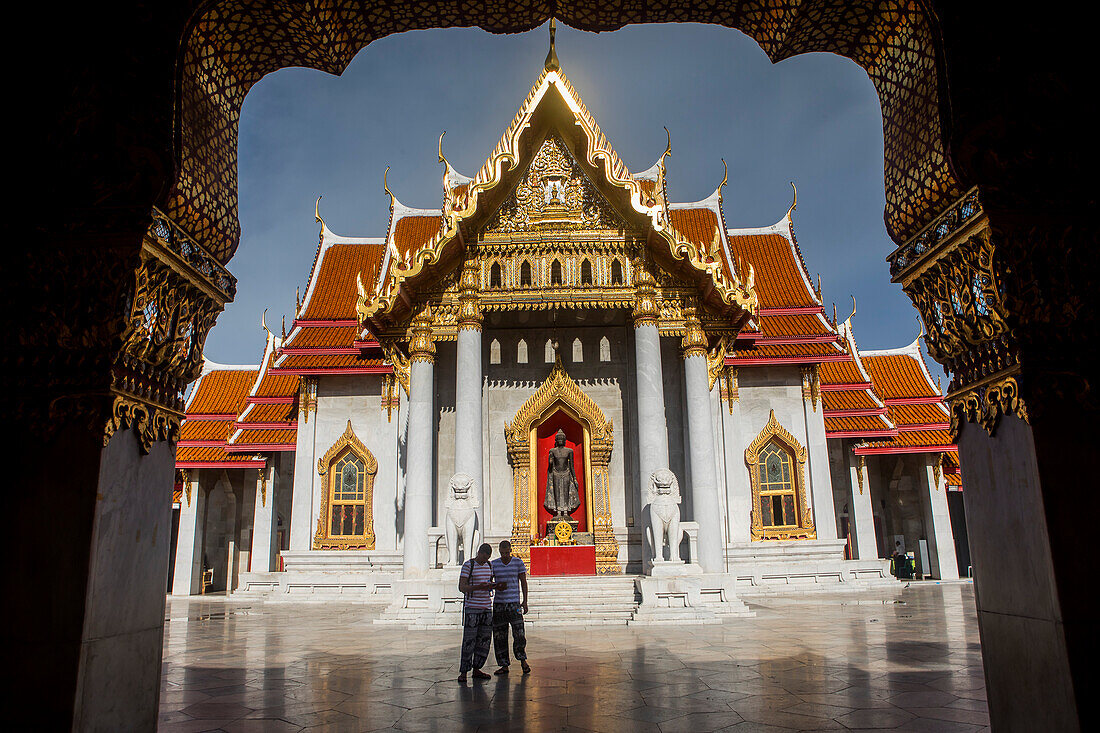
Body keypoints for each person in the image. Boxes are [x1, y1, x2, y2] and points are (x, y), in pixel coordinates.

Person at [457, 542, 500, 683]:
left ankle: (477, 668)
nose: (485, 559)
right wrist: (477, 587)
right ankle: (464, 671)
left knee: (484, 641)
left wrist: (493, 586)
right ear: (479, 553)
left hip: (486, 607)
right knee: (469, 640)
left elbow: (491, 581)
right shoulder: (469, 566)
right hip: (472, 608)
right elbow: (462, 587)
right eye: (484, 556)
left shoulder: (490, 566)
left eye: (488, 557)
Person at [490, 540, 530, 675]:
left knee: (519, 633)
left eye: (507, 553)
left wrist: (525, 601)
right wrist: (496, 586)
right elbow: (489, 582)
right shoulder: (494, 564)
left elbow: (523, 582)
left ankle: (522, 660)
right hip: (499, 604)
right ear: (499, 551)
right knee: (499, 636)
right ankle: (504, 664)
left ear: (510, 550)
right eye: (502, 553)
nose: (505, 555)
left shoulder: (518, 563)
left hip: (515, 603)